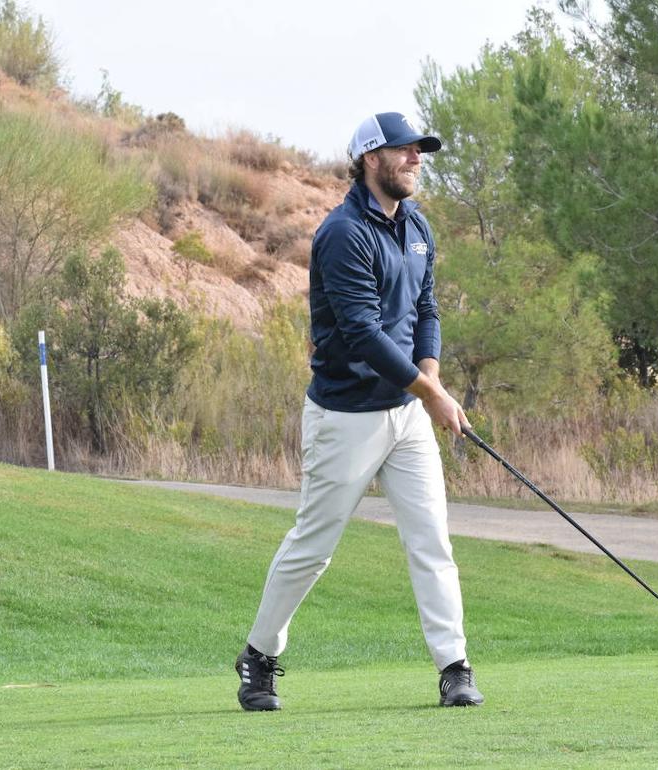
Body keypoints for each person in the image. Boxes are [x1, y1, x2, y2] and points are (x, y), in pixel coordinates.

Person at [233, 112, 483, 710]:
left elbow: (427, 309)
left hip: (405, 413)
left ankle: (454, 667)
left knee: (432, 543)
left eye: (420, 152)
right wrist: (434, 396)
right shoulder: (343, 232)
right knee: (313, 546)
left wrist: (431, 374)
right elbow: (364, 332)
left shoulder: (416, 224)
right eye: (404, 151)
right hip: (344, 416)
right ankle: (259, 656)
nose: (416, 160)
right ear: (371, 159)